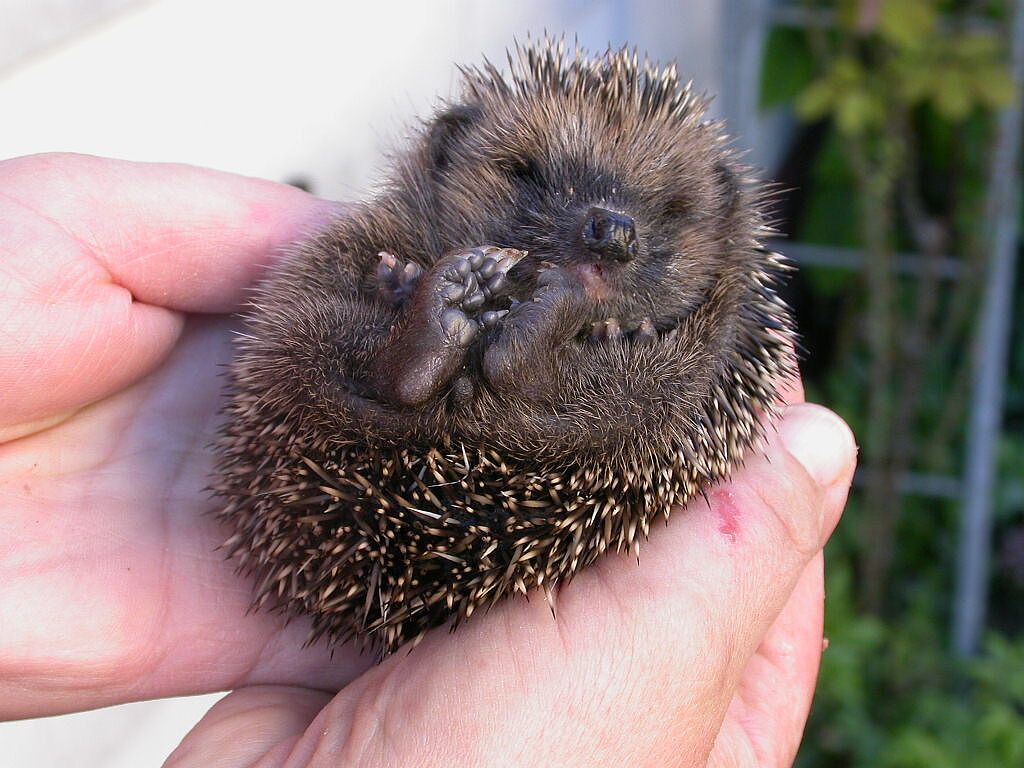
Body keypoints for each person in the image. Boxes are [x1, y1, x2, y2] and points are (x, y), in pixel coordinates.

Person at [0, 153, 856, 767]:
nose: (608, 222)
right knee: (326, 308)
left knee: (661, 394)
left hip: (515, 453)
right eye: (530, 177)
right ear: (448, 148)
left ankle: (473, 367)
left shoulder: (718, 323)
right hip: (396, 450)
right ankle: (502, 368)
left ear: (727, 244)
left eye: (665, 213)